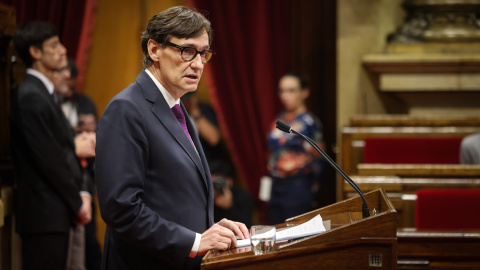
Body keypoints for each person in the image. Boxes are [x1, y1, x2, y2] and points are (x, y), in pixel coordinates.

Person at [95, 6, 249, 270]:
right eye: (187, 51)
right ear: (154, 50)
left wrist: (209, 229)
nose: (199, 64)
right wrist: (193, 241)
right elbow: (121, 209)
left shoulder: (177, 106)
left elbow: (172, 194)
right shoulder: (127, 108)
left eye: (204, 53)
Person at [10, 21, 94, 270]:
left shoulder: (43, 93)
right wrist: (78, 202)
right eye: (54, 45)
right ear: (35, 53)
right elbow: (51, 160)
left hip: (54, 212)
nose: (63, 50)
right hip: (43, 215)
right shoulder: (30, 96)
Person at [58, 58, 103, 270]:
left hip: (85, 178)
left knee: (90, 244)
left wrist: (92, 128)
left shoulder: (84, 102)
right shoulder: (49, 103)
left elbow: (96, 140)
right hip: (59, 181)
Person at [266, 73, 325, 225]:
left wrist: (312, 190)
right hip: (275, 185)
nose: (285, 95)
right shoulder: (279, 120)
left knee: (294, 238)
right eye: (282, 91)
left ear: (304, 92)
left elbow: (319, 160)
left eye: (291, 90)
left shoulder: (309, 123)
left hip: (297, 186)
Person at [210, 160, 254, 228]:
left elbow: (245, 225)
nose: (215, 187)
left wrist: (229, 207)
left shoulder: (243, 196)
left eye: (218, 182)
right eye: (211, 183)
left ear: (230, 181)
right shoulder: (207, 199)